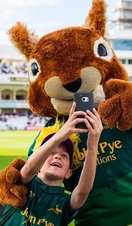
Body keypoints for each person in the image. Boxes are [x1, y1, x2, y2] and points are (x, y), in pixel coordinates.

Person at [0, 102, 102, 226]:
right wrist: (60, 136)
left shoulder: (65, 203)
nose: (57, 156)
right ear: (39, 167)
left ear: (68, 173)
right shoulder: (24, 184)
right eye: (51, 153)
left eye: (64, 156)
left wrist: (92, 146)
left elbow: (83, 191)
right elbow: (29, 167)